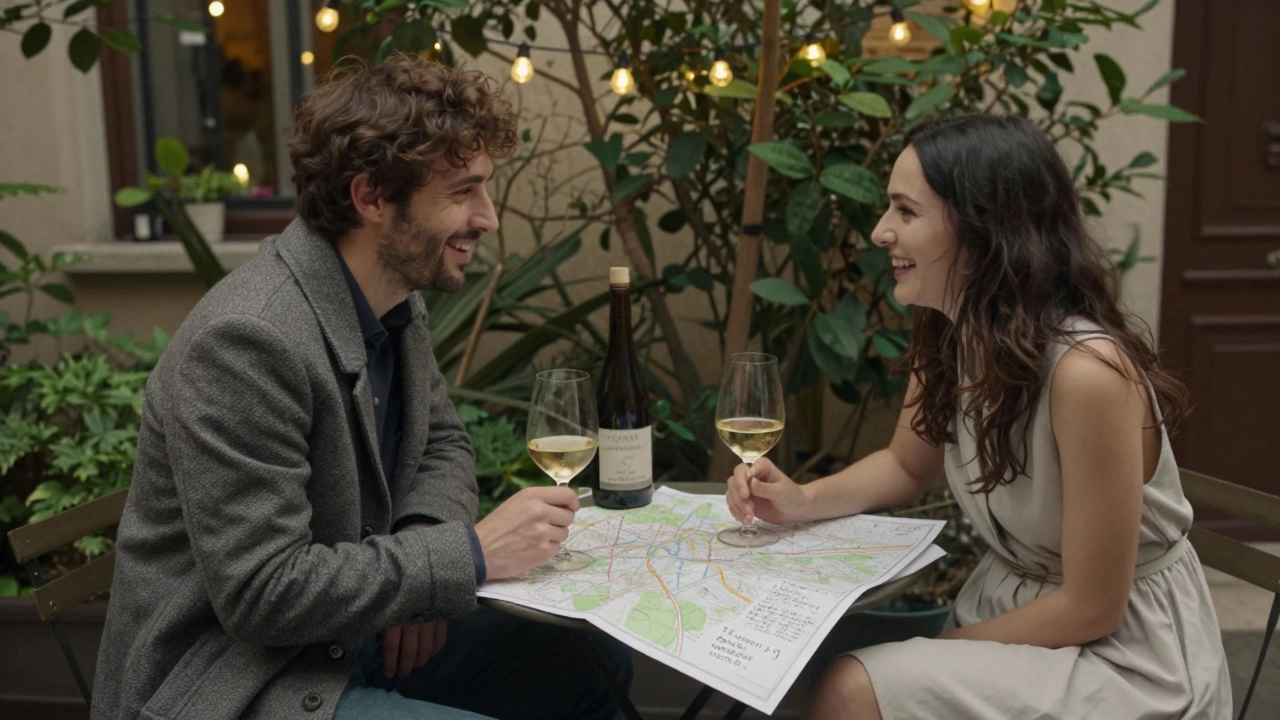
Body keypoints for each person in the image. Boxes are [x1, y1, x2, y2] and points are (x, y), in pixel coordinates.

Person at [93, 54, 632, 720]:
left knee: (594, 661)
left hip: (347, 634)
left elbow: (441, 441)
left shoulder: (394, 298)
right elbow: (263, 591)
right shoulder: (246, 341)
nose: (488, 218)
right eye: (464, 191)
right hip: (237, 681)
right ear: (373, 197)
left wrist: (427, 544)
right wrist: (464, 556)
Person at [726, 114, 1232, 719]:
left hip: (1124, 658)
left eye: (906, 212)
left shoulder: (1087, 374)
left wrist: (939, 648)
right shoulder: (951, 333)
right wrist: (802, 500)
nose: (882, 232)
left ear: (984, 227)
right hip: (1010, 609)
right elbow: (905, 465)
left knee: (853, 686)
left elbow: (1095, 606)